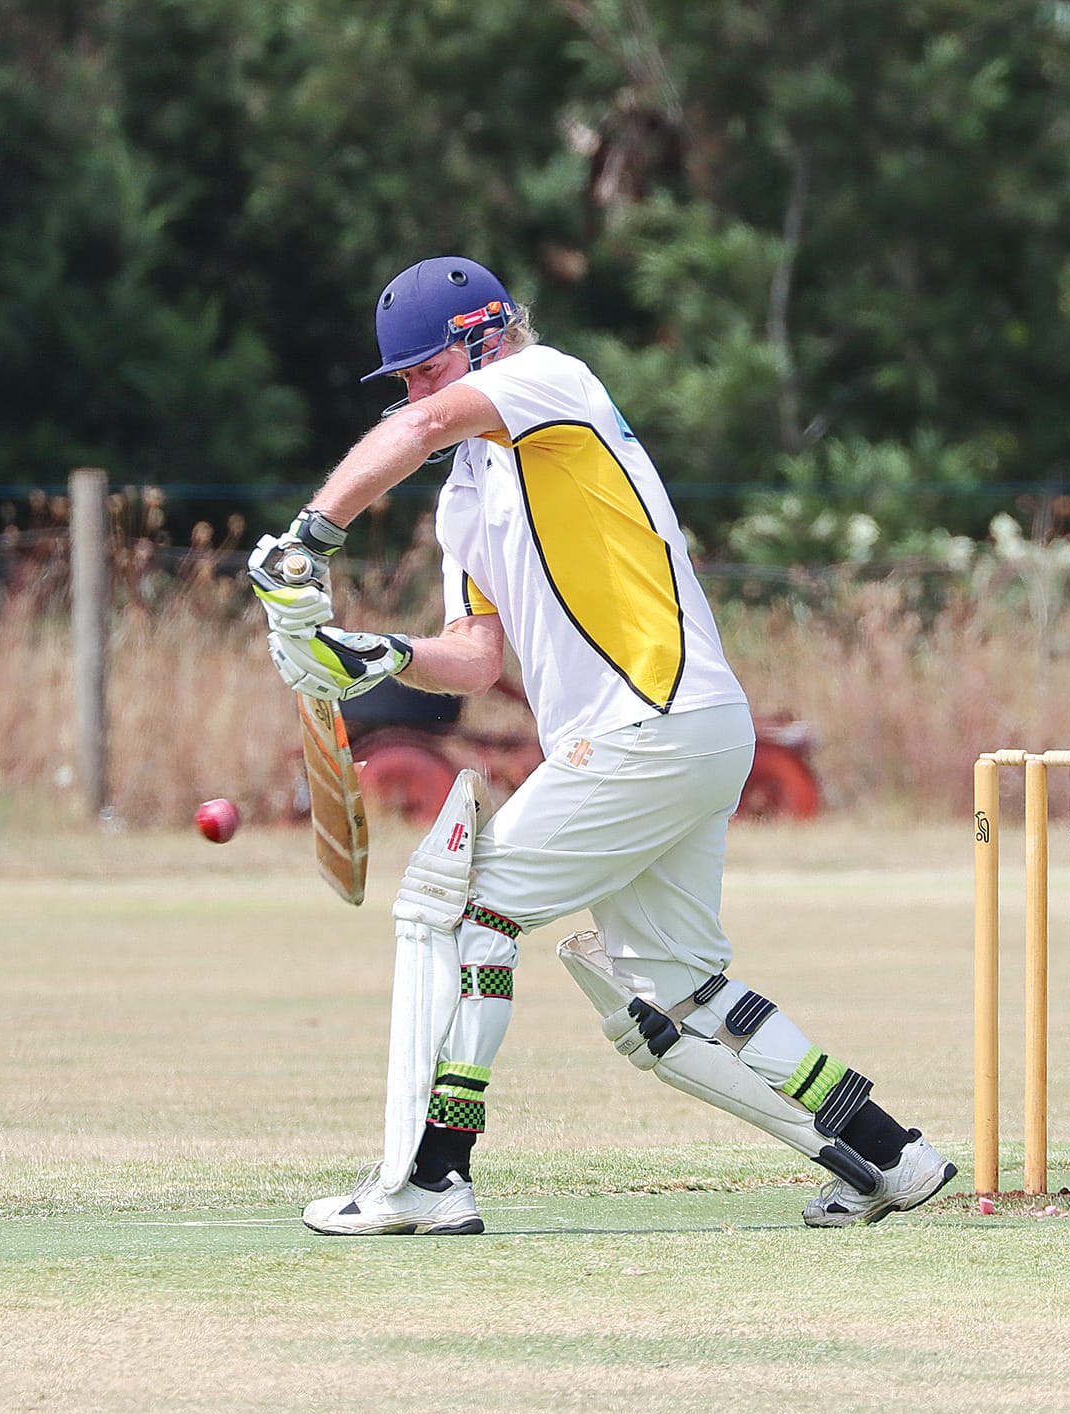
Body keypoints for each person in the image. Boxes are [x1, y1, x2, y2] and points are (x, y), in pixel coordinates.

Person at [250, 256, 955, 1233]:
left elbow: (417, 429)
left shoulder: (549, 380)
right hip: (673, 734)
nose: (412, 394)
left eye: (425, 370)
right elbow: (473, 658)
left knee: (456, 908)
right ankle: (891, 1155)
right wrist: (378, 655)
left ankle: (430, 1174)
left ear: (485, 338)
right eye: (401, 379)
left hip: (651, 720)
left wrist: (308, 538)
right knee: (677, 985)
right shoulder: (464, 497)